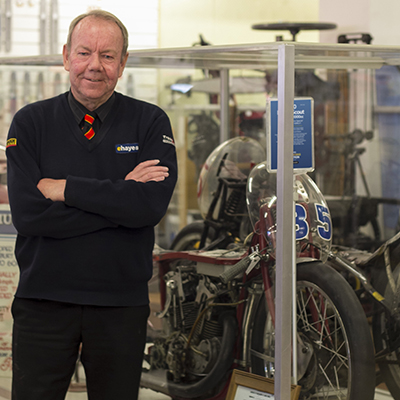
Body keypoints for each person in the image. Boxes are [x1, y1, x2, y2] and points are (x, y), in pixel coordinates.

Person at [6, 9, 177, 400]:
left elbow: (148, 208)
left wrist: (65, 189)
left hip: (121, 306)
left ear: (123, 62)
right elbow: (30, 216)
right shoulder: (31, 123)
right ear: (66, 56)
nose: (94, 66)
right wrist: (119, 196)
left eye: (107, 55)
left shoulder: (150, 123)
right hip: (43, 302)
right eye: (84, 53)